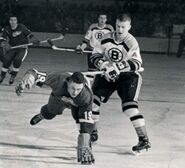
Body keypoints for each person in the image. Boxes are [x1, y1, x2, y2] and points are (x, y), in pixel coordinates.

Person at [90, 14, 151, 153]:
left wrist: (117, 68)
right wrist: (105, 65)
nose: (120, 29)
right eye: (118, 26)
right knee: (93, 101)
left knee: (130, 109)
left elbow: (136, 63)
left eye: (124, 27)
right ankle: (92, 133)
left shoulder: (132, 42)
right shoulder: (106, 38)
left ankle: (144, 140)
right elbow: (95, 55)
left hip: (127, 77)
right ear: (115, 25)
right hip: (107, 73)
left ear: (129, 27)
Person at [15, 69, 95, 164]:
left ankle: (86, 140)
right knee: (49, 113)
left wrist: (85, 142)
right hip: (58, 99)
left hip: (77, 104)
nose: (75, 93)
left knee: (79, 120)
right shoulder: (59, 80)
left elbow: (86, 121)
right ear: (67, 82)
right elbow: (35, 73)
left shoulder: (86, 96)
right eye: (73, 88)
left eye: (79, 89)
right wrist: (29, 77)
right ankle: (42, 115)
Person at [0, 15, 40, 85]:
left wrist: (34, 40)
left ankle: (13, 76)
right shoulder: (7, 29)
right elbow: (3, 38)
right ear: (9, 21)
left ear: (17, 21)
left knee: (17, 60)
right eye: (11, 20)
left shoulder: (22, 27)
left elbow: (29, 35)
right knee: (6, 60)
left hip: (22, 48)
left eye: (14, 20)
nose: (13, 22)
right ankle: (2, 76)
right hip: (12, 48)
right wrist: (5, 45)